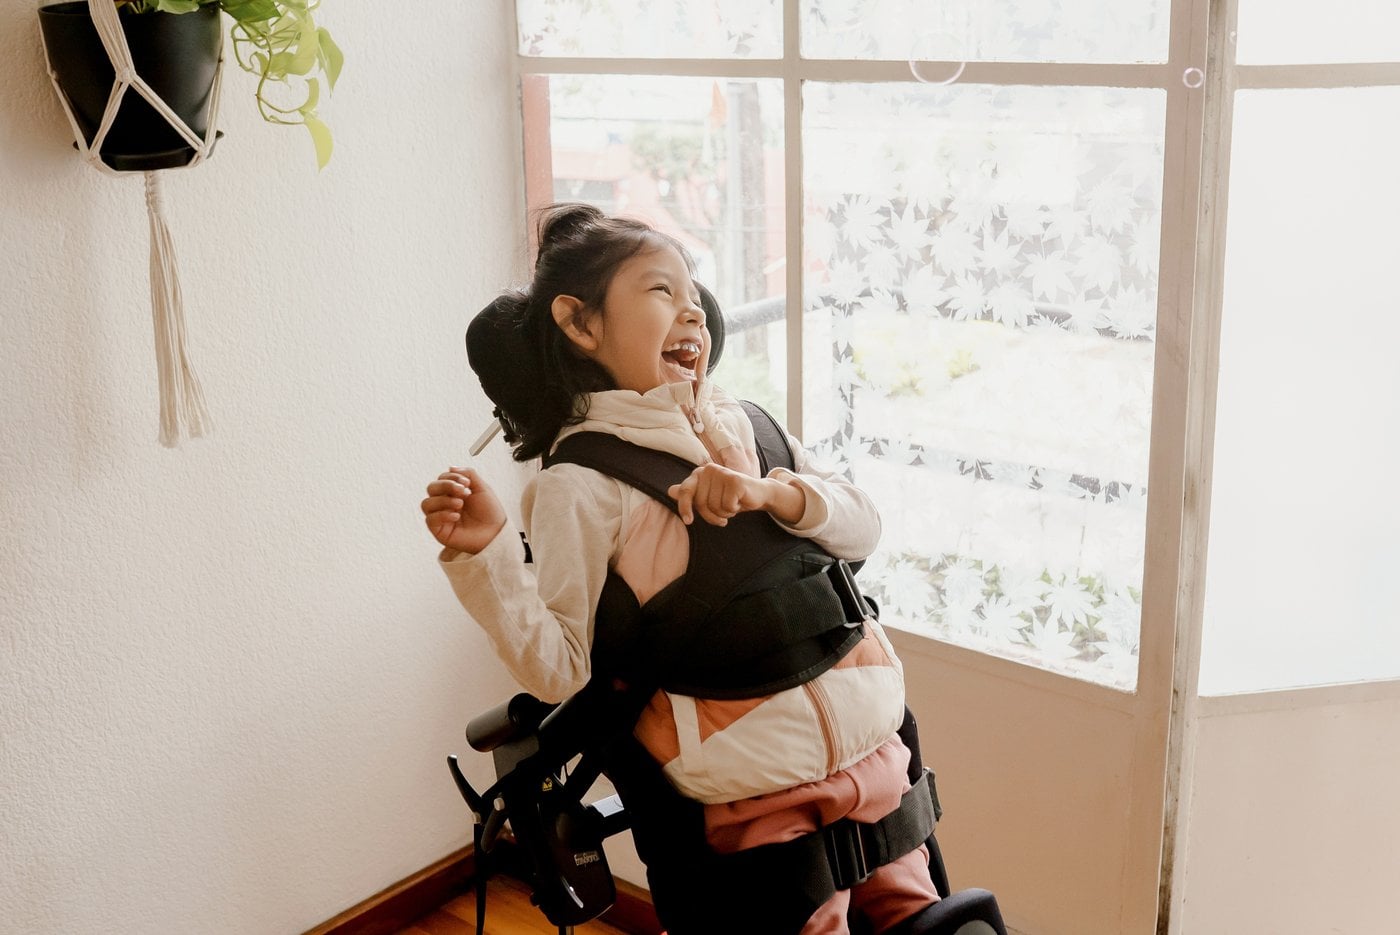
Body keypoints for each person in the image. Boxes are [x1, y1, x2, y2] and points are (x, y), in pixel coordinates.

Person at [420, 202, 941, 934]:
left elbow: (863, 528)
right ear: (580, 323)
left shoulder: (753, 428)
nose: (692, 310)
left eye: (696, 293)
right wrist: (490, 550)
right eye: (662, 290)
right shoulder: (580, 481)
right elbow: (561, 668)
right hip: (759, 805)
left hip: (882, 765)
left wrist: (774, 490)